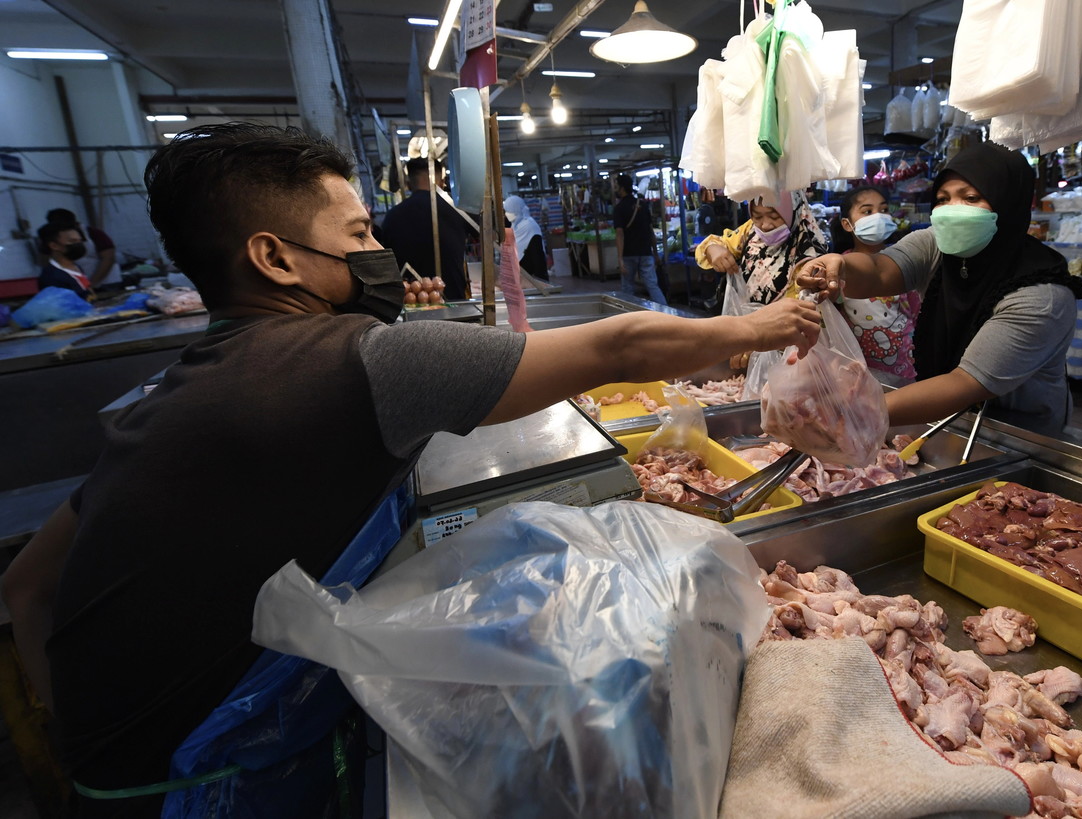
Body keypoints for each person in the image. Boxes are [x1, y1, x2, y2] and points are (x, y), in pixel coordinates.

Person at [1, 123, 821, 818]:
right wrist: (764, 324)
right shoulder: (356, 359)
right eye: (357, 236)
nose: (378, 251)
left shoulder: (183, 386)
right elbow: (621, 346)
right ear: (275, 258)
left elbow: (27, 585)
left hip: (103, 774)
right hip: (205, 774)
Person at [797, 142, 1082, 435]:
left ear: (1008, 202)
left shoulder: (1042, 296)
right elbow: (880, 270)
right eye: (943, 198)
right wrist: (838, 265)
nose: (953, 211)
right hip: (947, 418)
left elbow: (965, 383)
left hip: (1019, 433)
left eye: (971, 198)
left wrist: (852, 411)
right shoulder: (938, 244)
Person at [830, 185, 921, 382]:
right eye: (867, 211)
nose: (878, 217)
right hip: (857, 371)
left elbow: (915, 311)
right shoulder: (840, 266)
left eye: (884, 210)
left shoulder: (903, 261)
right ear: (847, 224)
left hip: (903, 368)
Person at [696, 191, 827, 307]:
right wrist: (712, 248)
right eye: (757, 217)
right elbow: (710, 246)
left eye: (775, 217)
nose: (765, 225)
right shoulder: (750, 231)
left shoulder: (809, 248)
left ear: (793, 210)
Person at [379, 157, 475, 301]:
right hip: (453, 298)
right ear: (441, 180)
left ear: (408, 183)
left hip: (411, 301)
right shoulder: (458, 210)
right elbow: (489, 234)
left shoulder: (392, 216)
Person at [612, 173, 667, 304]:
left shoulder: (619, 209)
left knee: (628, 289)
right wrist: (655, 254)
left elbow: (620, 234)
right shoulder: (642, 205)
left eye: (616, 186)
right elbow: (650, 231)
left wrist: (620, 259)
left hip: (628, 254)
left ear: (622, 188)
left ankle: (631, 317)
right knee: (652, 286)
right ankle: (666, 313)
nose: (615, 189)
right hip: (645, 252)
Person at [45, 208, 123, 290]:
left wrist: (93, 282)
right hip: (79, 285)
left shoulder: (94, 233)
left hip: (106, 283)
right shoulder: (55, 239)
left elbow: (109, 258)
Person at [36, 222, 94, 299]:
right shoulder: (52, 278)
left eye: (79, 241)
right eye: (72, 241)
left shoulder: (76, 267)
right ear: (54, 246)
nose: (79, 244)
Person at [503, 195, 549, 280]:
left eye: (509, 211)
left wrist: (541, 280)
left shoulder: (530, 226)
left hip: (532, 277)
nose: (506, 214)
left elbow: (537, 255)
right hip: (520, 276)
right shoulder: (515, 226)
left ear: (516, 210)